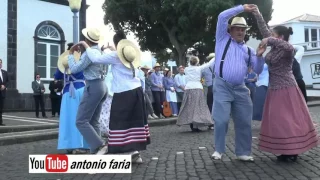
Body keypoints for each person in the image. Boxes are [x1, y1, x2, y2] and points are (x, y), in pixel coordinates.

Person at [253, 7, 318, 161]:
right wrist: (256, 13)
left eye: (274, 35)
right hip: (274, 88)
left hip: (287, 88)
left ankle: (293, 151)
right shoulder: (275, 48)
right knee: (278, 121)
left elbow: (288, 46)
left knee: (288, 120)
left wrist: (269, 40)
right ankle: (284, 149)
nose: (270, 37)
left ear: (281, 37)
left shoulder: (287, 49)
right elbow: (265, 31)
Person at [78, 31, 150, 163]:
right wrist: (112, 49)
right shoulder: (130, 53)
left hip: (124, 92)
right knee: (134, 122)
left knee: (120, 122)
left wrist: (86, 46)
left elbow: (96, 59)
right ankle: (135, 151)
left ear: (116, 44)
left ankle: (128, 151)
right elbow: (118, 56)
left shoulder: (115, 55)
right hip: (137, 90)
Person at [211, 4, 265, 161]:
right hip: (222, 85)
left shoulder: (249, 50)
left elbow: (258, 70)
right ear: (230, 30)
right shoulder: (222, 40)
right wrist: (243, 8)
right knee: (221, 119)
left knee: (244, 121)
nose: (240, 31)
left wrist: (260, 56)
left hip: (241, 88)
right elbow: (222, 16)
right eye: (237, 28)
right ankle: (219, 150)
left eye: (243, 29)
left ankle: (243, 152)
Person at [68, 28, 107, 155]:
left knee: (81, 121)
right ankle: (96, 152)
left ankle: (100, 145)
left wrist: (70, 54)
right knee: (94, 121)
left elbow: (74, 69)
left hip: (93, 86)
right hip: (102, 86)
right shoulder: (100, 52)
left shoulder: (89, 54)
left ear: (86, 40)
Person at [56, 43, 89, 154]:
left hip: (67, 93)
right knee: (82, 118)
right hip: (80, 90)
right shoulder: (80, 61)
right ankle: (83, 144)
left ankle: (69, 144)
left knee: (68, 119)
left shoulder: (64, 64)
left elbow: (56, 77)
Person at [176, 56, 214, 132]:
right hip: (197, 88)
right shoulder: (199, 68)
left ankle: (192, 124)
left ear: (189, 62)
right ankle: (197, 124)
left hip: (189, 88)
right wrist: (216, 55)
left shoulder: (186, 69)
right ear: (197, 62)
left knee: (189, 107)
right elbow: (209, 64)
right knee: (199, 107)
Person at [0, 59, 8, 126]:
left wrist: (5, 86)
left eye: (1, 63)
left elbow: (7, 81)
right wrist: (0, 86)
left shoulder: (4, 72)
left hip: (2, 93)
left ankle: (0, 121)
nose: (0, 64)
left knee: (1, 108)